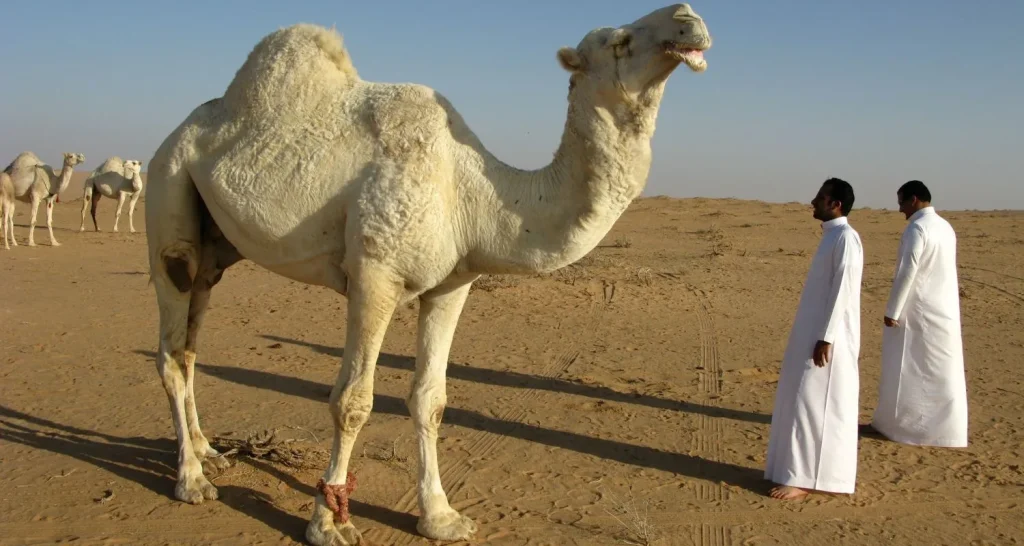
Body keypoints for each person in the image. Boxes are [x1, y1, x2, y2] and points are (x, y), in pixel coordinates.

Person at [765, 178, 864, 500]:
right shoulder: (832, 236)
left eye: (820, 198)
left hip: (827, 339)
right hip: (814, 332)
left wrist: (827, 337)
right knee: (802, 400)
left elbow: (842, 291)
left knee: (813, 402)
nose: (813, 202)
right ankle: (799, 471)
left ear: (835, 204)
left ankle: (806, 478)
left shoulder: (846, 238)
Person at [862, 180, 968, 447]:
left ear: (914, 200)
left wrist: (893, 310)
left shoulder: (917, 228)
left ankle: (901, 428)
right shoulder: (945, 226)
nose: (900, 209)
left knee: (905, 366)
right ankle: (939, 430)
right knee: (938, 369)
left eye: (902, 203)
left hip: (916, 309)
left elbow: (907, 271)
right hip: (943, 309)